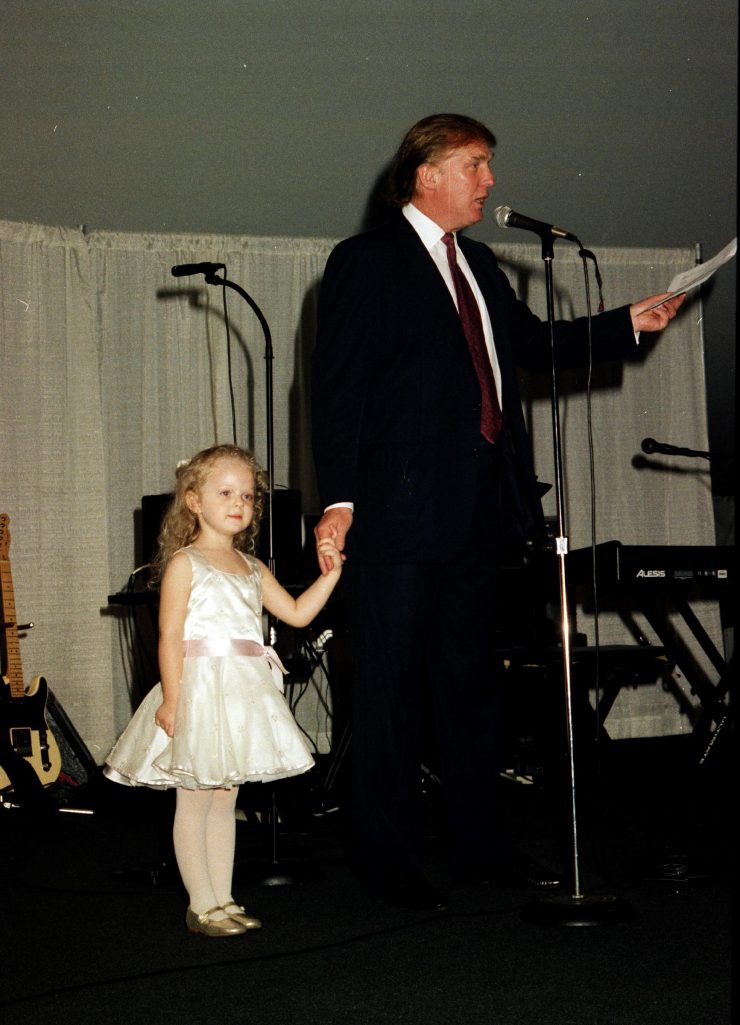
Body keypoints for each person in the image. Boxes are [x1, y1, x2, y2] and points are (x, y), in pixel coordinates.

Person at [311, 113, 685, 912]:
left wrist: (627, 323)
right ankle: (389, 858)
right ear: (426, 173)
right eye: (475, 165)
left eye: (487, 166)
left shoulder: (479, 263)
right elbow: (338, 386)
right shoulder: (364, 262)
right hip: (397, 515)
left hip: (480, 513)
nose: (488, 181)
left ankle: (481, 850)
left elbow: (531, 346)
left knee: (470, 688)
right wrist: (339, 500)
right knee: (390, 692)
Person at [105, 444, 342, 936]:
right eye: (226, 492)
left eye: (249, 496)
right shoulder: (186, 564)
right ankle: (201, 904)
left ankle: (224, 897)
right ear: (193, 500)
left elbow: (296, 614)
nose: (240, 503)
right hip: (198, 689)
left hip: (240, 694)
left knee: (224, 796)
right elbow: (170, 635)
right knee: (194, 797)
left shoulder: (252, 567)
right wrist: (172, 699)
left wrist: (331, 575)